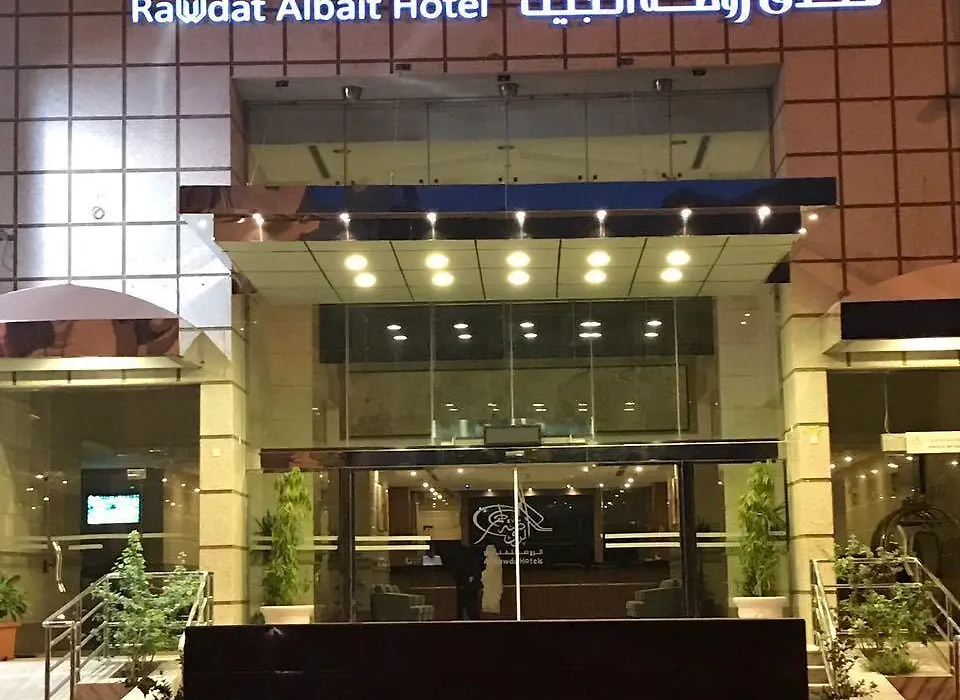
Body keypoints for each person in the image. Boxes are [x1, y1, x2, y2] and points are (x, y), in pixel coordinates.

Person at [481, 545, 503, 617]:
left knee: (493, 604)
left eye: (487, 550)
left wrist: (482, 574)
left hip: (493, 586)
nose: (485, 552)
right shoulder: (488, 560)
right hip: (488, 586)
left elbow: (490, 572)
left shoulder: (495, 560)